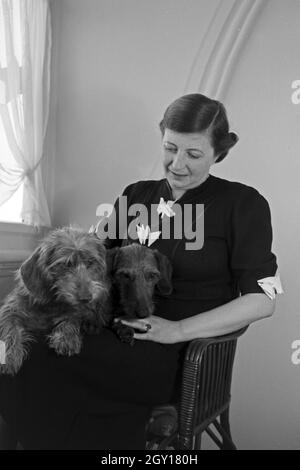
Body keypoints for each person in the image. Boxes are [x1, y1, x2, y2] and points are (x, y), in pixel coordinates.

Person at [0, 93, 282, 450]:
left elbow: (262, 300)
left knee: (39, 357)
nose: (177, 164)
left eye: (193, 154)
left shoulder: (244, 204)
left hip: (182, 356)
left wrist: (175, 329)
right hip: (110, 333)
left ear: (218, 153)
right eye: (170, 148)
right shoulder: (137, 195)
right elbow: (92, 251)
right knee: (13, 352)